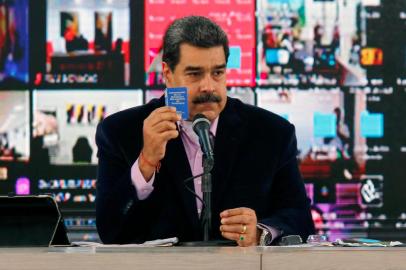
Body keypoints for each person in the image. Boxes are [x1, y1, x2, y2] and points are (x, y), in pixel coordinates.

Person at [95, 16, 314, 246]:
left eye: (217, 73)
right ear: (168, 74)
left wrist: (261, 232)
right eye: (194, 74)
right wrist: (145, 163)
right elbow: (110, 231)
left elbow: (301, 221)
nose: (208, 86)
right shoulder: (120, 132)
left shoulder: (272, 133)